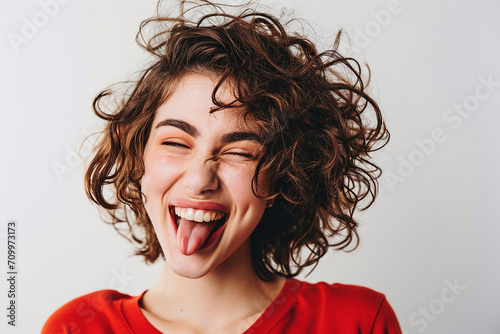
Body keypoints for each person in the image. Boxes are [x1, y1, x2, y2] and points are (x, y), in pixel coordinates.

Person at [42, 1, 401, 333]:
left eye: (241, 153)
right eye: (176, 144)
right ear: (139, 163)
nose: (200, 179)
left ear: (283, 177)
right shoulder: (76, 327)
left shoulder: (355, 320)